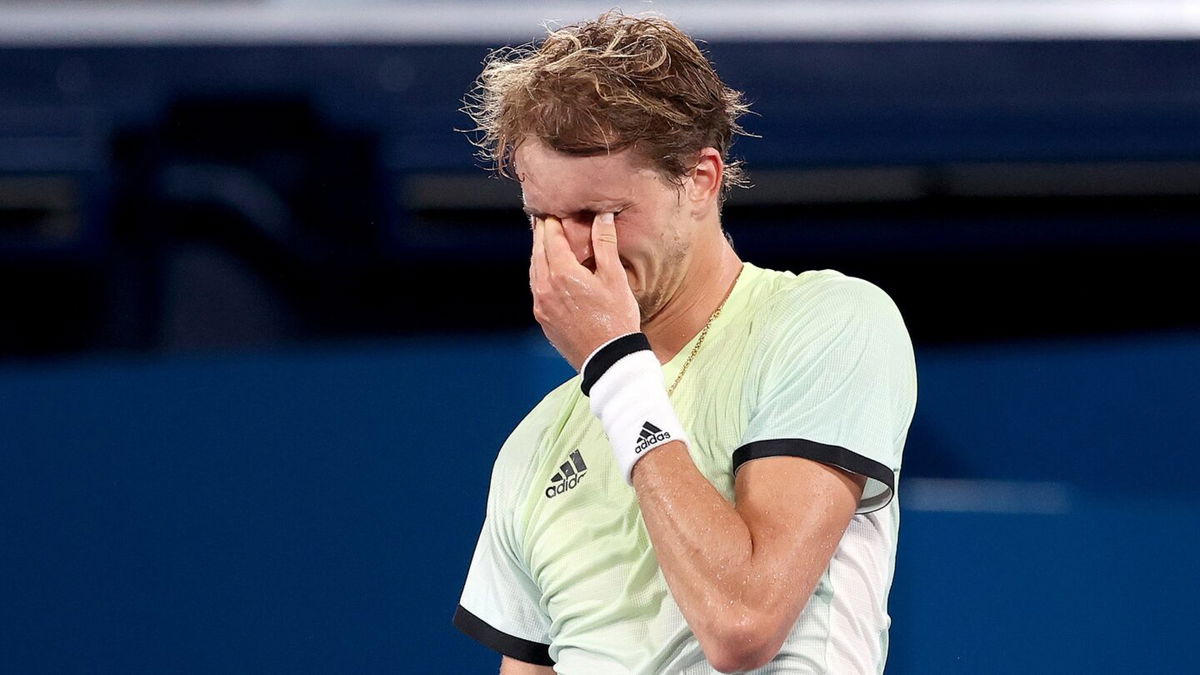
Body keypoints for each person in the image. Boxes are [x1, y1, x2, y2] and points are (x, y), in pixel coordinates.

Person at [453, 11, 916, 675]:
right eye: (542, 218)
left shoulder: (829, 322)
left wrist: (612, 367)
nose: (568, 250)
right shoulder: (531, 448)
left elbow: (742, 622)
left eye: (598, 215)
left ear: (699, 181)